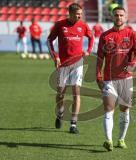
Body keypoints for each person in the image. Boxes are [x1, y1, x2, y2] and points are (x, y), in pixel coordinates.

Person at [96, 6, 136, 151]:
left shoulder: (132, 34)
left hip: (126, 78)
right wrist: (98, 76)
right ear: (112, 17)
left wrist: (131, 65)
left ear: (125, 17)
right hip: (109, 79)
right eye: (116, 15)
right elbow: (99, 58)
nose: (119, 18)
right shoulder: (105, 36)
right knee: (108, 109)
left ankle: (121, 139)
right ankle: (108, 140)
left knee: (125, 110)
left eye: (121, 15)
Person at [47, 3, 94, 134]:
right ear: (70, 13)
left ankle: (73, 124)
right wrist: (55, 57)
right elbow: (49, 40)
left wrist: (88, 51)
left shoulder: (83, 25)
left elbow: (91, 38)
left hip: (77, 64)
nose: (79, 16)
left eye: (80, 13)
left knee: (76, 93)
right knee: (60, 93)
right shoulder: (60, 25)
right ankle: (60, 113)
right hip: (63, 64)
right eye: (77, 14)